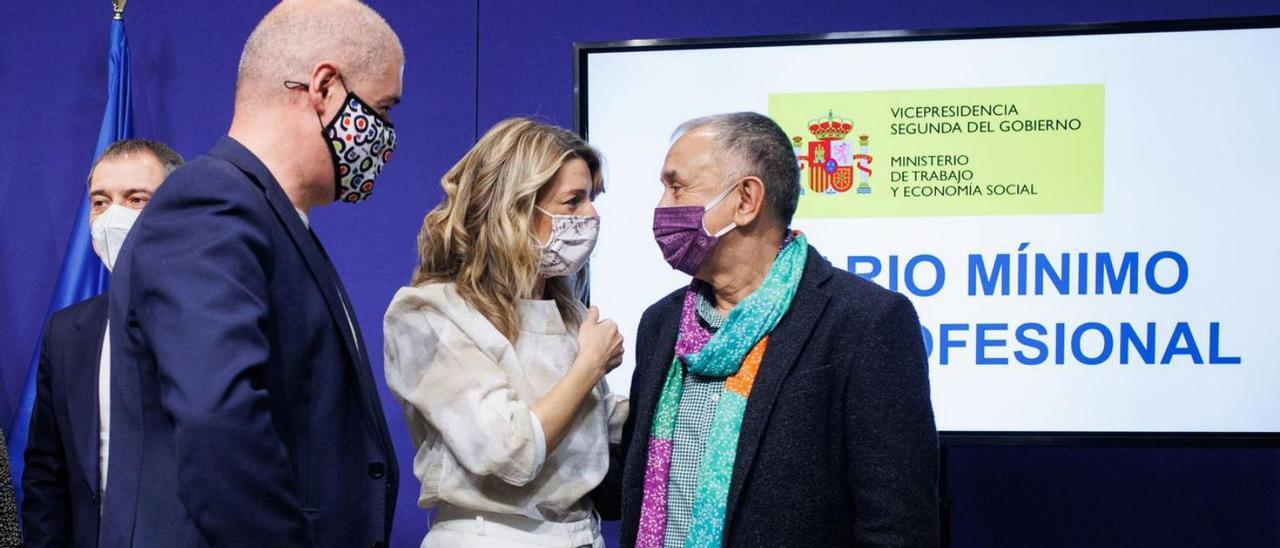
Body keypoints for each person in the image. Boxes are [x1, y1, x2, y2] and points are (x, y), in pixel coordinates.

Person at [101, 1, 404, 545]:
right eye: (382, 109)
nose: (385, 135)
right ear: (325, 88)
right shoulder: (209, 201)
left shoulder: (272, 216)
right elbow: (219, 423)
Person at [620, 112, 939, 547]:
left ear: (747, 199)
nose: (662, 207)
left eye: (677, 187)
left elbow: (898, 526)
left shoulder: (865, 322)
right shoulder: (661, 324)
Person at [383, 117, 628, 548]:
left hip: (581, 533)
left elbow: (596, 423)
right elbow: (508, 451)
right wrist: (589, 365)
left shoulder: (565, 312)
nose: (590, 216)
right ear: (514, 209)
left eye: (592, 199)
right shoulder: (429, 312)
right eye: (573, 202)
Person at [23, 139, 182, 548]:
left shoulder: (229, 322)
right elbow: (47, 472)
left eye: (136, 199)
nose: (112, 217)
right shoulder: (67, 333)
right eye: (100, 201)